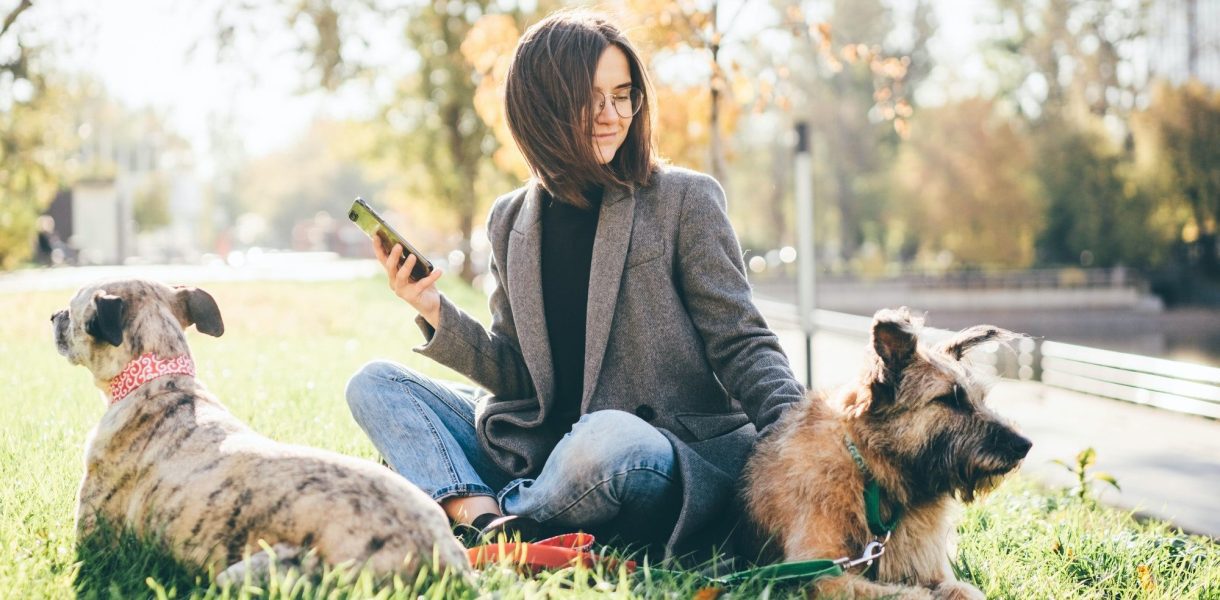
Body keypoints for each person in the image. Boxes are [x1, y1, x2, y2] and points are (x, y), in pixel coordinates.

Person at [345, 10, 803, 562]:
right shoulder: (510, 220)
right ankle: (495, 523)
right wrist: (435, 310)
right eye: (592, 98)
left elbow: (742, 343)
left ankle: (479, 513)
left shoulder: (686, 200)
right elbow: (518, 373)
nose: (612, 116)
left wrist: (803, 439)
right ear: (542, 106)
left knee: (604, 436)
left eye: (623, 95)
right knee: (375, 383)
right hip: (539, 448)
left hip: (645, 453)